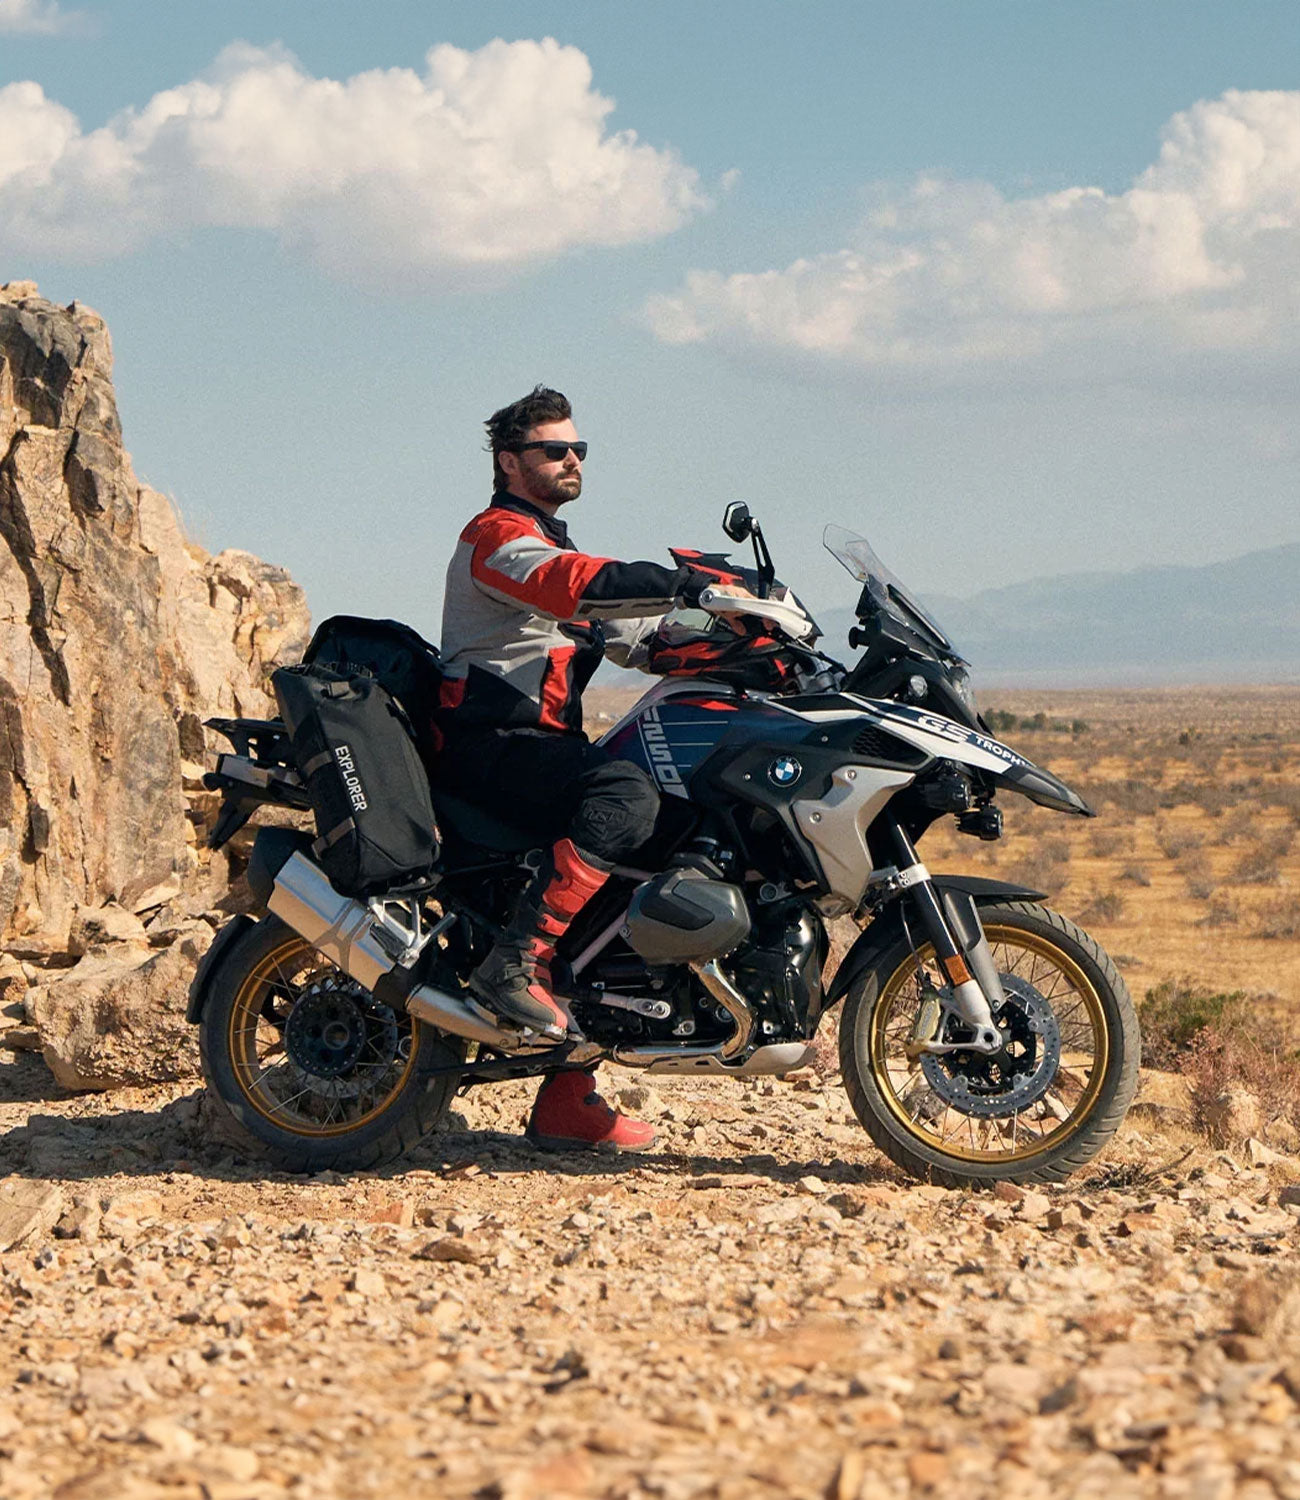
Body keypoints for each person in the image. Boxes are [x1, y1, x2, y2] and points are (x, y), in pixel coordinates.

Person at [436, 385, 736, 1153]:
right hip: (489, 748)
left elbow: (644, 639)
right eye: (555, 449)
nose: (572, 459)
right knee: (623, 793)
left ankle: (569, 1095)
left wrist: (741, 635)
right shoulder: (498, 541)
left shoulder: (547, 549)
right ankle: (516, 963)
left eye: (579, 449)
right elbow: (582, 585)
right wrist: (683, 580)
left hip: (537, 750)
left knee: (674, 826)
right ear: (511, 462)